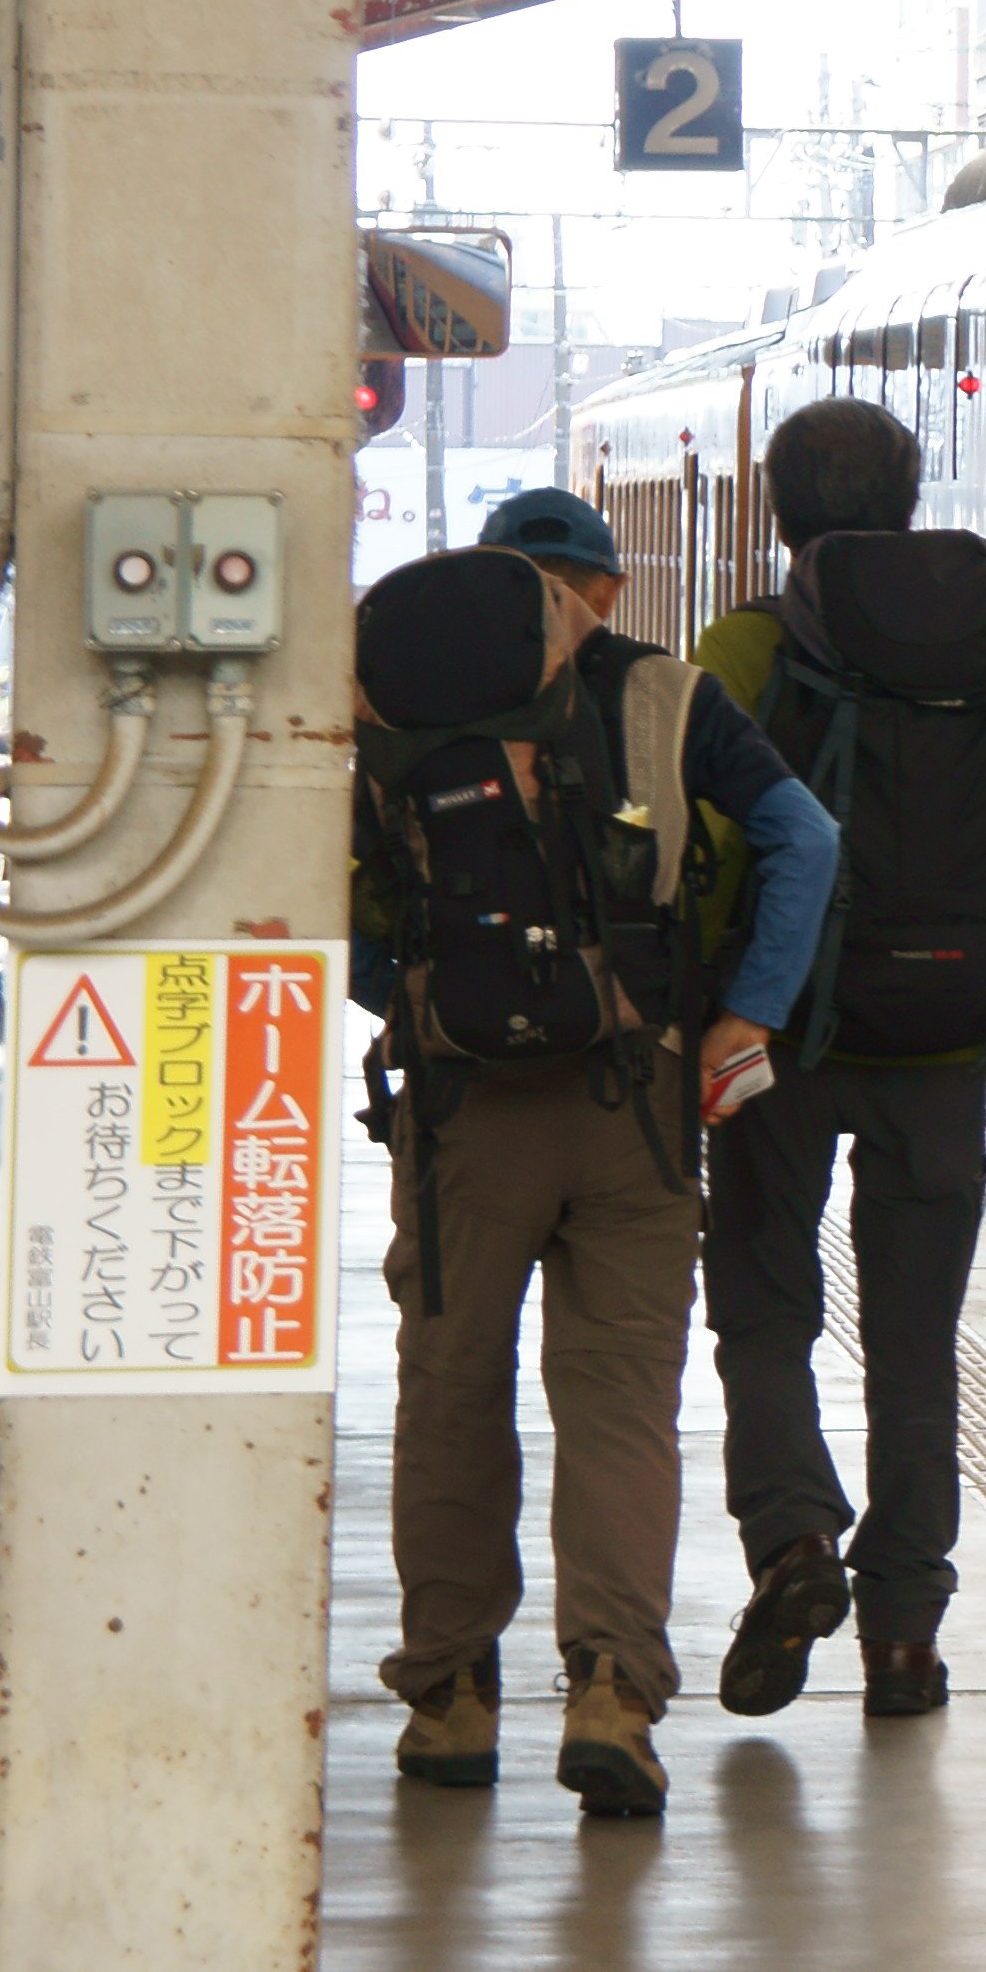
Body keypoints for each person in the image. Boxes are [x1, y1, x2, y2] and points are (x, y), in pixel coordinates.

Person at [353, 531, 834, 1820]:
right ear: (585, 595)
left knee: (451, 1389)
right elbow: (805, 838)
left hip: (462, 1118)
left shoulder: (389, 690)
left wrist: (416, 1001)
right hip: (640, 1099)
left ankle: (450, 1699)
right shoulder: (667, 696)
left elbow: (345, 896)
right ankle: (613, 1692)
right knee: (621, 1402)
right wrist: (748, 1015)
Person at [691, 396, 986, 1726]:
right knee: (914, 1348)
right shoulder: (981, 643)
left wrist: (726, 998)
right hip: (942, 1050)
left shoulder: (746, 646)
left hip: (780, 1042)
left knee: (764, 1310)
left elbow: (704, 845)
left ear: (777, 506)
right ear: (909, 499)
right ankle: (905, 1637)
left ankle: (793, 1538)